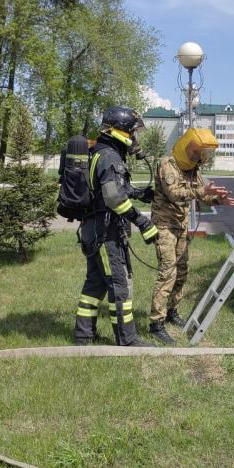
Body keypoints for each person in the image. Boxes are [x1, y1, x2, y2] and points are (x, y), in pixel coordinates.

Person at [74, 106, 159, 347]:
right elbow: (113, 199)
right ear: (120, 131)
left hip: (92, 230)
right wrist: (143, 222)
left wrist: (139, 193)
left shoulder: (99, 152)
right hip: (106, 234)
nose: (134, 138)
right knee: (120, 286)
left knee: (95, 284)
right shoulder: (111, 157)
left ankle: (83, 336)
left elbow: (109, 189)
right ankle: (128, 340)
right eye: (132, 132)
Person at [147, 129, 234, 344]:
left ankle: (172, 312)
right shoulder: (167, 163)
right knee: (167, 272)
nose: (200, 156)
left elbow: (201, 196)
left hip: (181, 226)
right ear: (187, 146)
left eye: (202, 153)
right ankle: (156, 323)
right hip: (164, 226)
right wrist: (202, 192)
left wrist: (217, 200)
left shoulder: (193, 168)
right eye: (197, 151)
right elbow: (175, 194)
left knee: (182, 272)